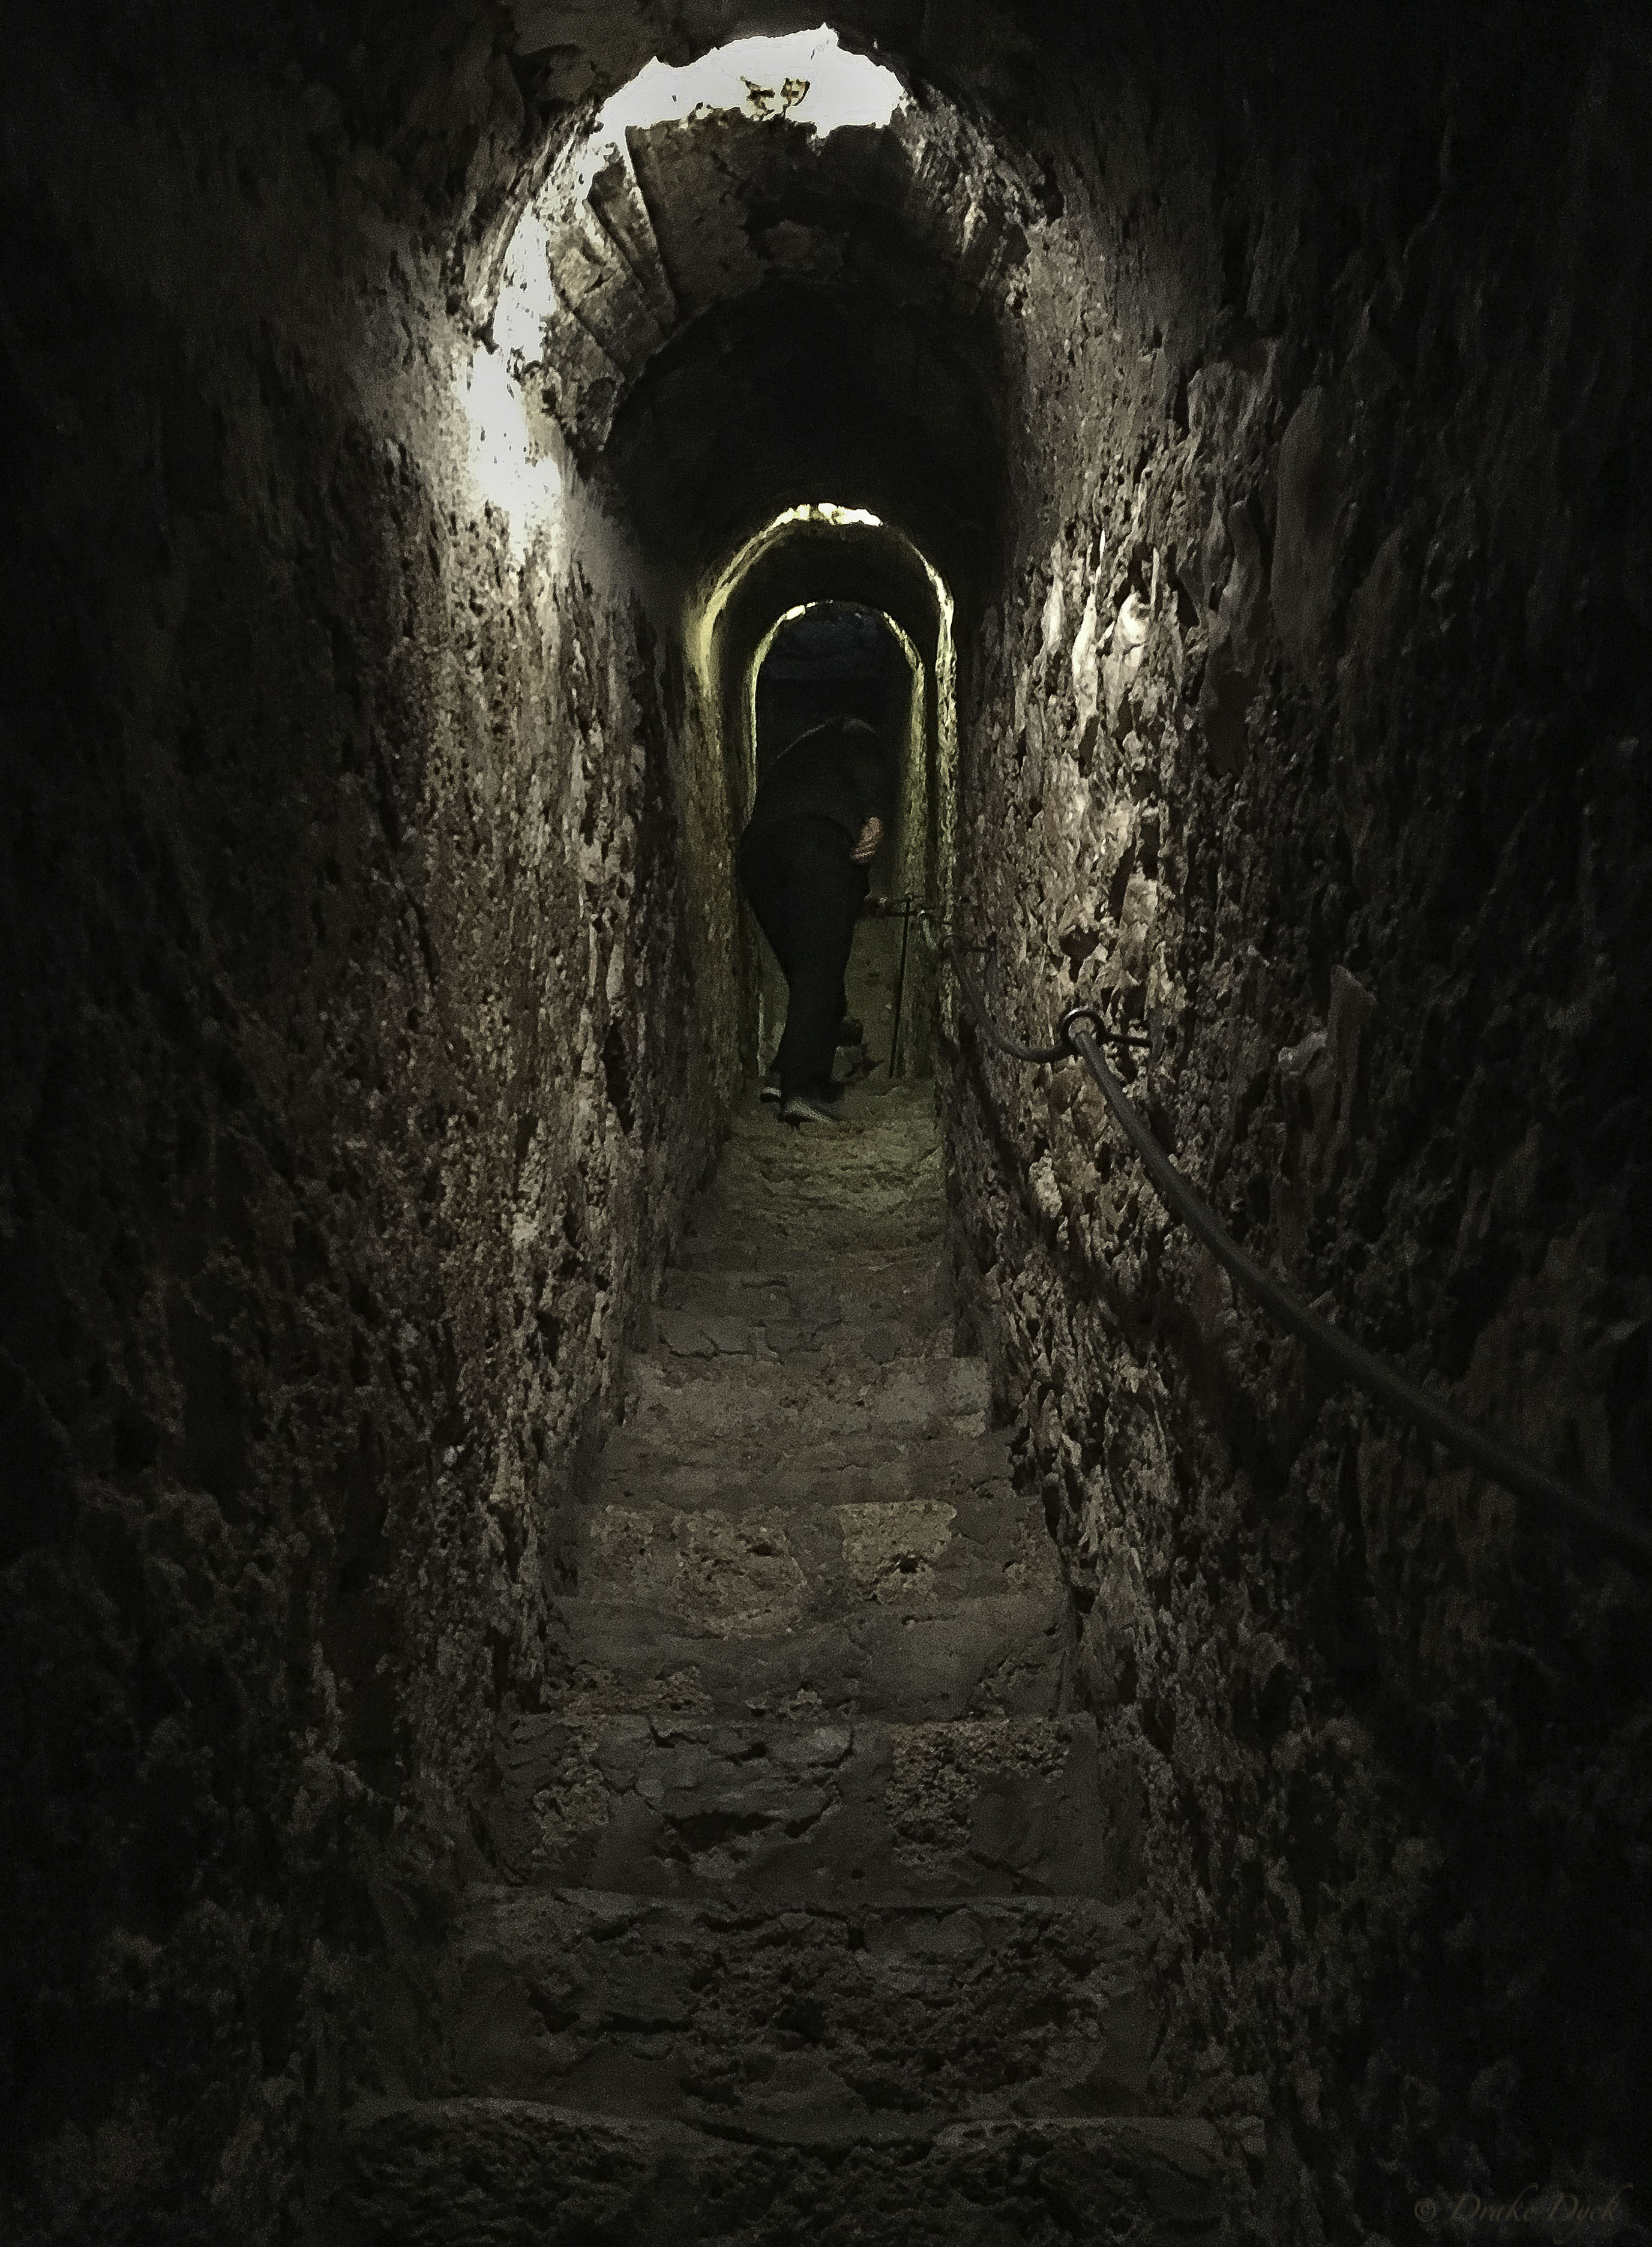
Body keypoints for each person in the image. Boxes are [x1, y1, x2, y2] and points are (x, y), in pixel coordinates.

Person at [737, 715, 892, 1123]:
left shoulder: (795, 755)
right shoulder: (852, 731)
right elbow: (865, 757)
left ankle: (781, 1072)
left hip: (758, 856)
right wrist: (875, 814)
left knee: (809, 974)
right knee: (821, 969)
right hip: (817, 844)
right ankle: (802, 1089)